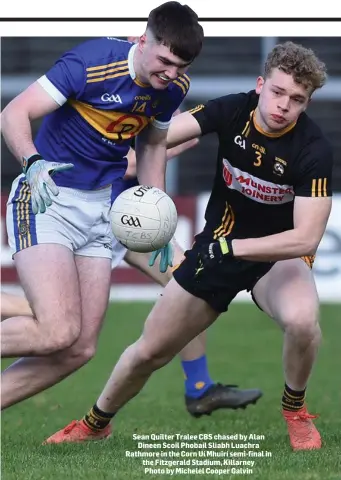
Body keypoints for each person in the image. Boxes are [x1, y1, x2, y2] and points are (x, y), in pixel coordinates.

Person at [45, 41, 333, 451]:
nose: (284, 104)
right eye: (278, 91)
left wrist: (234, 250)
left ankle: (295, 411)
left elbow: (305, 238)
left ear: (307, 103)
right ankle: (95, 423)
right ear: (260, 85)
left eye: (297, 99)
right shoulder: (233, 108)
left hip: (276, 257)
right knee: (149, 351)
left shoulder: (313, 149)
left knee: (304, 321)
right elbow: (156, 136)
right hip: (217, 246)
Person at [0, 14, 261, 416]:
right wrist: (32, 161)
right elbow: (14, 113)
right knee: (57, 330)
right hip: (46, 199)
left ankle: (199, 385)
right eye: (165, 62)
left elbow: (153, 145)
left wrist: (156, 213)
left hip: (102, 209)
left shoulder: (172, 89)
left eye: (181, 68)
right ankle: (200, 386)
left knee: (80, 347)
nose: (171, 74)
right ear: (142, 40)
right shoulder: (92, 62)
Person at [0, 138, 262, 415]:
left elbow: (178, 135)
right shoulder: (117, 103)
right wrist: (166, 142)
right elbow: (131, 163)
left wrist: (169, 137)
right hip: (91, 213)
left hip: (131, 216)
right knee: (61, 321)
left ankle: (199, 388)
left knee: (189, 284)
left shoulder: (163, 99)